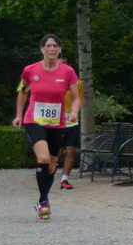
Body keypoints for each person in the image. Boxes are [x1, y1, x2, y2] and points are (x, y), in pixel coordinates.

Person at [11, 34, 81, 220]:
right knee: (42, 158)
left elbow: (76, 98)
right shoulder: (30, 70)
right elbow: (22, 91)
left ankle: (43, 198)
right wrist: (19, 115)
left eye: (55, 46)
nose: (51, 49)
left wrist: (74, 112)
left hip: (57, 122)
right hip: (34, 119)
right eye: (48, 45)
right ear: (41, 49)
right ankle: (43, 201)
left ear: (60, 49)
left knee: (51, 165)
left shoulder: (68, 72)